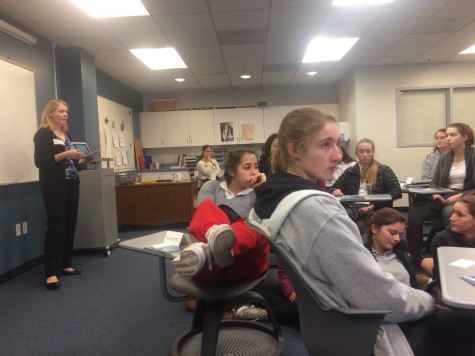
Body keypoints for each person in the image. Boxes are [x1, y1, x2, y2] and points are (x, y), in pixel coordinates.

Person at [246, 107, 475, 355]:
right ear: (294, 150)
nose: (337, 156)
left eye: (337, 144)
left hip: (335, 325)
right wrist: (429, 300)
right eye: (325, 145)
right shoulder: (317, 211)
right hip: (370, 330)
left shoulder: (274, 200)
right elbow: (374, 294)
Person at [172, 149, 269, 284]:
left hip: (242, 263)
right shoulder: (212, 186)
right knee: (206, 206)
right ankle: (212, 248)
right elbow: (202, 218)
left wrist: (263, 188)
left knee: (256, 222)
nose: (254, 171)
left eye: (256, 167)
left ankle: (211, 250)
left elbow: (271, 219)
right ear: (231, 171)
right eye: (247, 167)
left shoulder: (259, 192)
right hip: (211, 268)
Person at [33, 99, 92, 290]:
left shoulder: (66, 134)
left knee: (70, 223)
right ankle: (51, 272)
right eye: (61, 111)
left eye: (66, 111)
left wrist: (81, 160)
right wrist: (67, 154)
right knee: (56, 225)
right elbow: (41, 162)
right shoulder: (43, 134)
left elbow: (71, 162)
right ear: (50, 113)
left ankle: (65, 264)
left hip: (72, 182)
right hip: (54, 185)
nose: (65, 114)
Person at [407, 123, 475, 268]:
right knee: (415, 210)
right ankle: (414, 256)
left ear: (464, 137)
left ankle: (453, 256)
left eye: (452, 135)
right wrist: (435, 194)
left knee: (449, 212)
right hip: (443, 195)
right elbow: (434, 183)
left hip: (465, 196)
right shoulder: (444, 157)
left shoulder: (473, 156)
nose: (448, 138)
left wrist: (459, 196)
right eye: (447, 135)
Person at [329, 138, 402, 235]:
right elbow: (332, 188)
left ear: (373, 152)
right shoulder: (349, 171)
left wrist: (373, 205)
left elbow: (396, 192)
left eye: (368, 151)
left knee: (362, 223)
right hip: (352, 207)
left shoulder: (384, 170)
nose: (365, 155)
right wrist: (335, 190)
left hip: (374, 207)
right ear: (356, 153)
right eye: (361, 151)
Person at [422, 193, 475, 289]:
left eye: (460, 215)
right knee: (426, 263)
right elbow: (441, 282)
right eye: (453, 212)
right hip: (455, 280)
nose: (451, 218)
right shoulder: (441, 240)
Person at [365, 208, 419, 289]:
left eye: (400, 235)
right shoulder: (363, 256)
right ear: (375, 228)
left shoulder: (401, 250)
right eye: (392, 233)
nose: (397, 239)